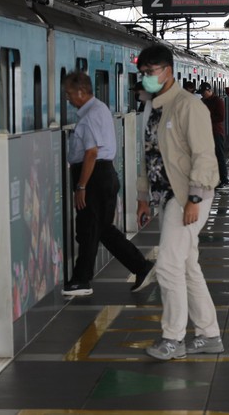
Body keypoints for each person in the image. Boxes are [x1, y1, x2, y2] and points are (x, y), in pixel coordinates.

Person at [135, 44, 224, 360]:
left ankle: (172, 338)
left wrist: (195, 199)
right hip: (167, 196)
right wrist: (143, 198)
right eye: (143, 73)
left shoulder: (189, 106)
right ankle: (209, 334)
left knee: (168, 265)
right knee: (187, 266)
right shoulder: (154, 108)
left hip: (188, 195)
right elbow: (148, 156)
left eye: (150, 72)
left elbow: (204, 155)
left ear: (168, 70)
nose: (146, 78)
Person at [62, 71, 155, 296]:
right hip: (103, 175)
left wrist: (81, 186)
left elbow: (91, 152)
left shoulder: (91, 115)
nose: (67, 98)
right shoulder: (99, 108)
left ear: (81, 92)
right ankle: (141, 266)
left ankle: (82, 280)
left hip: (94, 176)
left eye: (69, 94)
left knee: (89, 228)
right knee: (101, 229)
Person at [199, 82, 229, 188]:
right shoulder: (203, 101)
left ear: (209, 90)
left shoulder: (218, 101)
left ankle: (224, 180)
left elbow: (220, 117)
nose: (202, 95)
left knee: (219, 156)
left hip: (216, 132)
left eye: (203, 93)